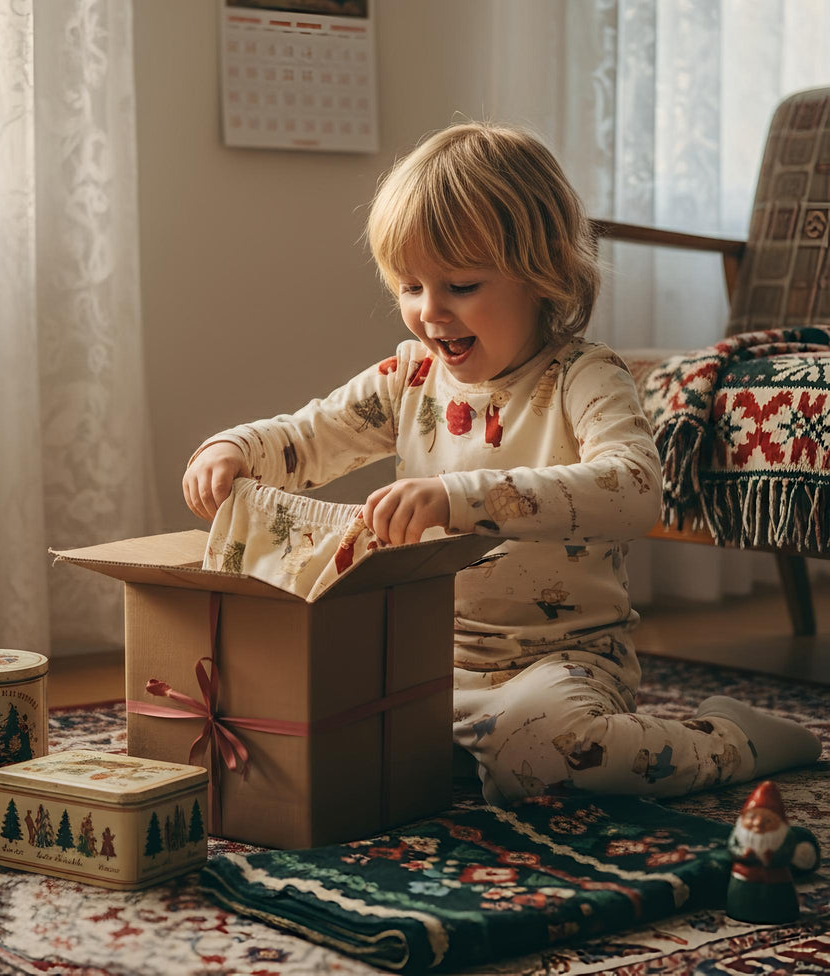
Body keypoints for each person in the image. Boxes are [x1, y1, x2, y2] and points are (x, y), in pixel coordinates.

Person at [182, 122, 823, 806]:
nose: (430, 313)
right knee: (291, 716)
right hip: (423, 659)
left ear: (543, 273)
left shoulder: (586, 376)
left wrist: (460, 498)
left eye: (460, 285)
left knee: (553, 758)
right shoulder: (409, 378)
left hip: (559, 662)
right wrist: (232, 449)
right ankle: (466, 754)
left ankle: (732, 738)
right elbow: (309, 437)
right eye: (409, 287)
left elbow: (635, 490)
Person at [725, 780, 819, 923]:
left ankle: (776, 912)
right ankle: (739, 909)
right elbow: (732, 847)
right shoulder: (739, 833)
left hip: (776, 877)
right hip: (744, 877)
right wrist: (742, 853)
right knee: (742, 896)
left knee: (777, 898)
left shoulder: (785, 836)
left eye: (767, 820)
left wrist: (773, 858)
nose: (757, 824)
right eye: (752, 818)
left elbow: (787, 854)